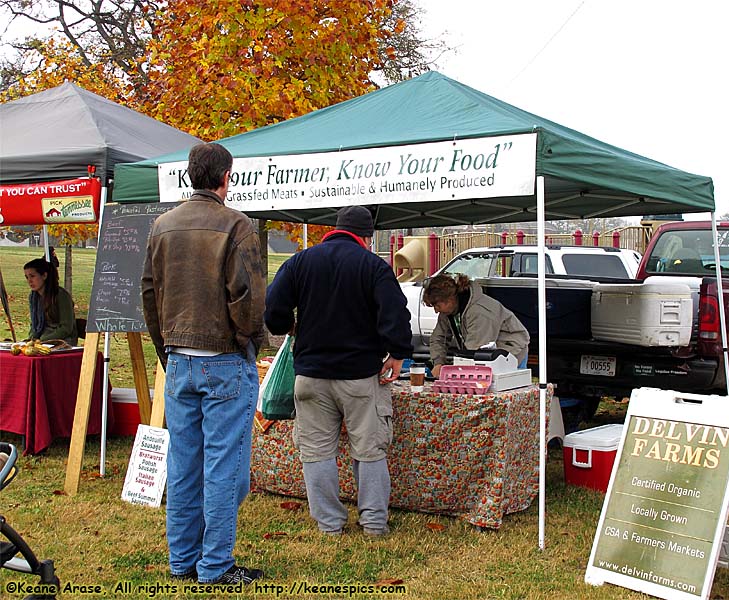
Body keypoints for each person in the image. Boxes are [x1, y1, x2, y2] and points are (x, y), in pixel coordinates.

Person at [141, 142, 266, 585]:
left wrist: (167, 350)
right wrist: (247, 343)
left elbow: (150, 295)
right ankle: (214, 566)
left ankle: (183, 561)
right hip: (224, 360)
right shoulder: (236, 225)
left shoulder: (162, 226)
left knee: (185, 464)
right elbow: (248, 299)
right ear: (226, 177)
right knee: (222, 466)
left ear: (190, 176)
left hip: (179, 360)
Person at [264, 205, 412, 537]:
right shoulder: (373, 266)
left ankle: (329, 525)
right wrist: (398, 353)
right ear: (366, 238)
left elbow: (272, 307)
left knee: (316, 453)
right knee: (369, 449)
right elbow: (396, 315)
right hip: (359, 376)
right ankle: (374, 523)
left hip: (310, 377)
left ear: (334, 229)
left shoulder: (301, 261)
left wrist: (288, 326)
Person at [423, 273, 530, 377]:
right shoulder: (447, 311)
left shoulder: (479, 312)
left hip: (511, 352)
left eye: (437, 305)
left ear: (450, 299)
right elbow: (439, 338)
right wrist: (438, 363)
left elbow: (475, 351)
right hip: (488, 353)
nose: (436, 310)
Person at [24, 257, 78, 345]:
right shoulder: (34, 297)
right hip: (42, 340)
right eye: (27, 277)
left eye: (32, 276)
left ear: (44, 276)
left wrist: (43, 340)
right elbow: (34, 324)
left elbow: (66, 328)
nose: (29, 281)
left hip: (63, 341)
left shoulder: (61, 296)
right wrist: (31, 339)